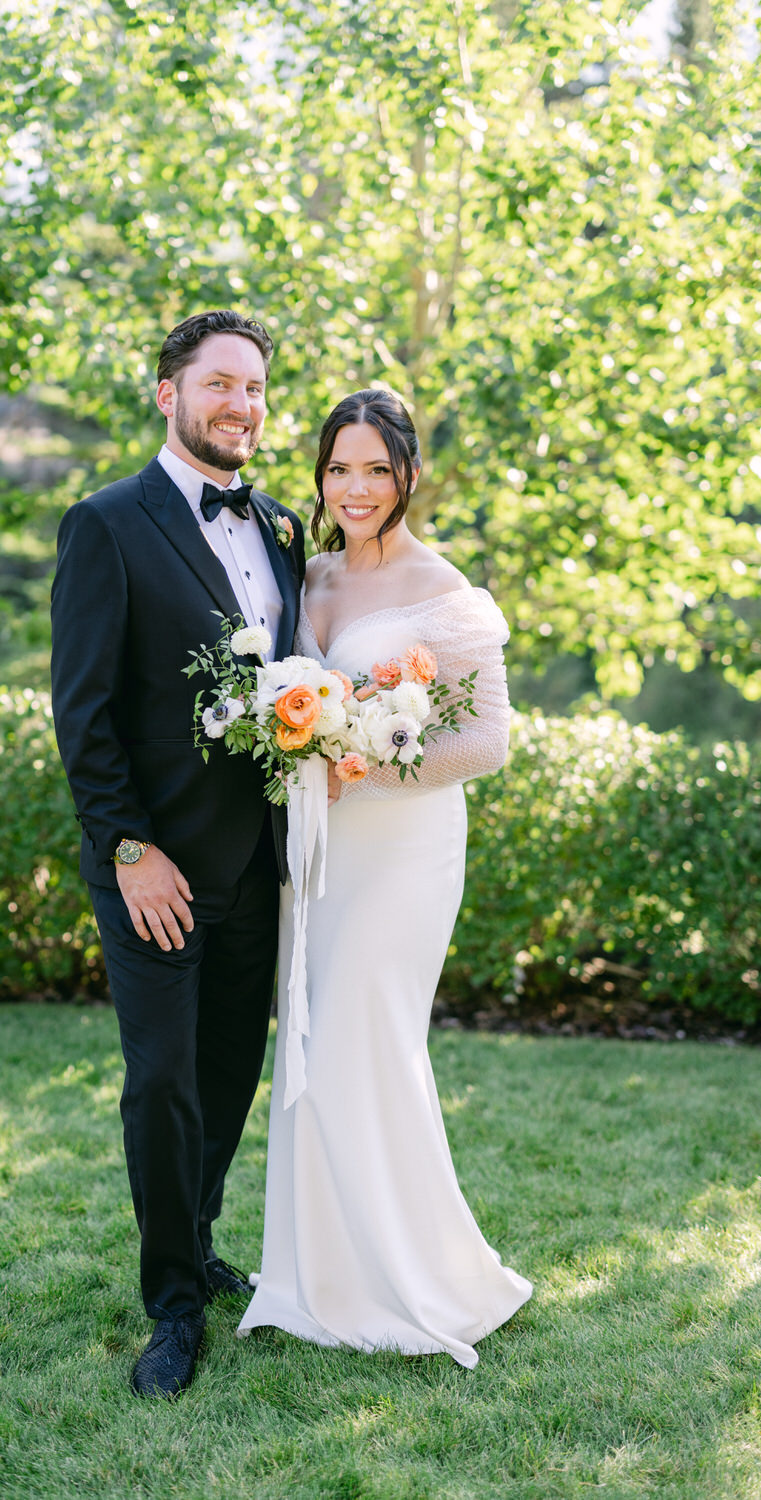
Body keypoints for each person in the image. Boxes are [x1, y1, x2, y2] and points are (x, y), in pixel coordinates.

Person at [238, 388, 532, 1365]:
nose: (353, 487)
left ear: (406, 473)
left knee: (369, 1039)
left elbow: (486, 740)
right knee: (314, 1052)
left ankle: (421, 1279)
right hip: (316, 853)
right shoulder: (307, 576)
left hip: (402, 846)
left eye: (373, 468)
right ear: (318, 476)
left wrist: (363, 752)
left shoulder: (439, 587)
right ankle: (316, 1278)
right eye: (337, 468)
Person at [50, 310, 305, 1397]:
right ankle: (171, 1309)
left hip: (258, 864)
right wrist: (126, 850)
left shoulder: (283, 528)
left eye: (252, 388)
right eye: (217, 385)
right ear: (168, 393)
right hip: (153, 871)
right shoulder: (106, 524)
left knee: (225, 1077)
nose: (239, 406)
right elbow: (84, 714)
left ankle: (196, 1241)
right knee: (160, 1086)